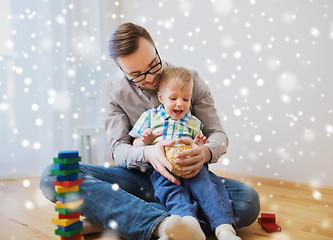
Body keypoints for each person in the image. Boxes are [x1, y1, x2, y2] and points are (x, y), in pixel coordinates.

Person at [39, 22, 260, 240]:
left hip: (187, 176)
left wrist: (204, 153)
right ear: (121, 70)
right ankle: (164, 225)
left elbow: (218, 134)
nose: (152, 78)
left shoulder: (188, 78)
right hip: (138, 178)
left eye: (154, 65)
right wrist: (148, 153)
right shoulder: (111, 91)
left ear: (156, 48)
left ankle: (118, 216)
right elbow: (118, 149)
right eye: (137, 74)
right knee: (56, 175)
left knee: (247, 201)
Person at [130, 66, 240, 240]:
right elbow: (135, 145)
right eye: (173, 98)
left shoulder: (194, 122)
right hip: (163, 169)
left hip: (192, 167)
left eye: (185, 99)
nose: (180, 103)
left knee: (208, 188)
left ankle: (224, 229)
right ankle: (186, 225)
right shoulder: (150, 117)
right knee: (172, 193)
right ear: (161, 98)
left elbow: (200, 146)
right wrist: (146, 141)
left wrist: (198, 145)